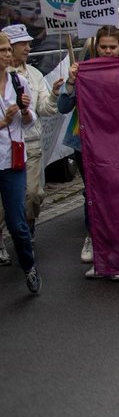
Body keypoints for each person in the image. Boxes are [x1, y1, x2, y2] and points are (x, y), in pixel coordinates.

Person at [57, 26, 119, 280]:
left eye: (112, 47)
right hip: (85, 145)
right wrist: (72, 81)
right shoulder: (83, 72)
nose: (108, 51)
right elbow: (63, 107)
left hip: (118, 147)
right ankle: (100, 253)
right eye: (103, 47)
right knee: (93, 198)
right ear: (96, 47)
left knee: (117, 200)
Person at [0, 25, 59, 240]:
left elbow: (45, 108)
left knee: (33, 194)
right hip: (4, 145)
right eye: (22, 44)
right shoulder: (3, 76)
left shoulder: (33, 75)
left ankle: (27, 230)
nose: (28, 47)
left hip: (30, 144)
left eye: (28, 43)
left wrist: (53, 95)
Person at [0, 32, 38, 294]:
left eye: (6, 49)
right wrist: (2, 122)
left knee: (17, 223)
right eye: (1, 50)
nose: (6, 54)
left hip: (12, 161)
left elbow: (30, 121)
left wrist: (24, 111)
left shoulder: (18, 80)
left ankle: (28, 265)